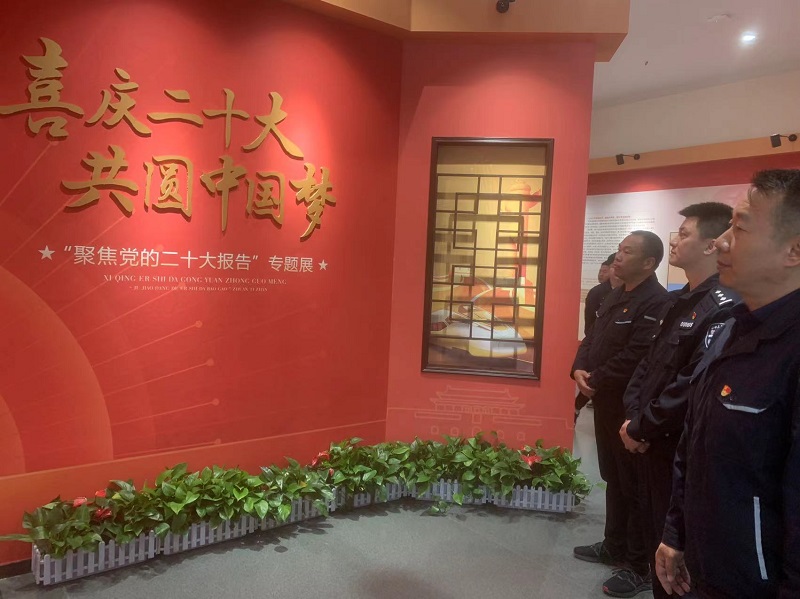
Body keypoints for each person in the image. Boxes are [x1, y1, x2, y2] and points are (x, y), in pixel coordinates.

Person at [656, 169, 800, 598]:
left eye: (740, 228)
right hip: (707, 568)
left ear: (794, 250)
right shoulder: (731, 327)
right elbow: (694, 440)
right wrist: (676, 531)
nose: (721, 242)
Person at [617, 203, 737, 599]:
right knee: (655, 537)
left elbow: (690, 384)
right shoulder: (680, 300)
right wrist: (634, 419)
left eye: (684, 234)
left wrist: (643, 426)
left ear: (711, 245)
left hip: (674, 448)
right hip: (649, 440)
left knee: (676, 559)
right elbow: (648, 364)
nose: (675, 240)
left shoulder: (723, 306)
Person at [572, 231, 670, 597]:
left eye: (627, 252)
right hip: (604, 402)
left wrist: (595, 377)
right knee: (613, 477)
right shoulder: (615, 295)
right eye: (618, 250)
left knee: (634, 485)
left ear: (648, 262)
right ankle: (613, 544)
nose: (618, 256)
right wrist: (578, 369)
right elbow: (592, 337)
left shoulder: (657, 302)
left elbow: (637, 356)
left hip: (629, 406)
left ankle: (637, 564)